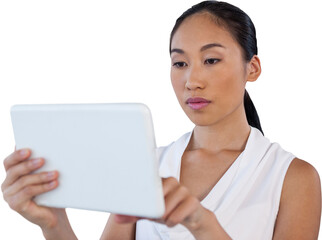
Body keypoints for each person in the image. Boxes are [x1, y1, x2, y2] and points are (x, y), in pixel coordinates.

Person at [1, 1, 321, 239]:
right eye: (179, 63)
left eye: (211, 60)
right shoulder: (146, 164)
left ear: (252, 68)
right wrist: (53, 221)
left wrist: (202, 224)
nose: (192, 80)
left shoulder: (293, 178)